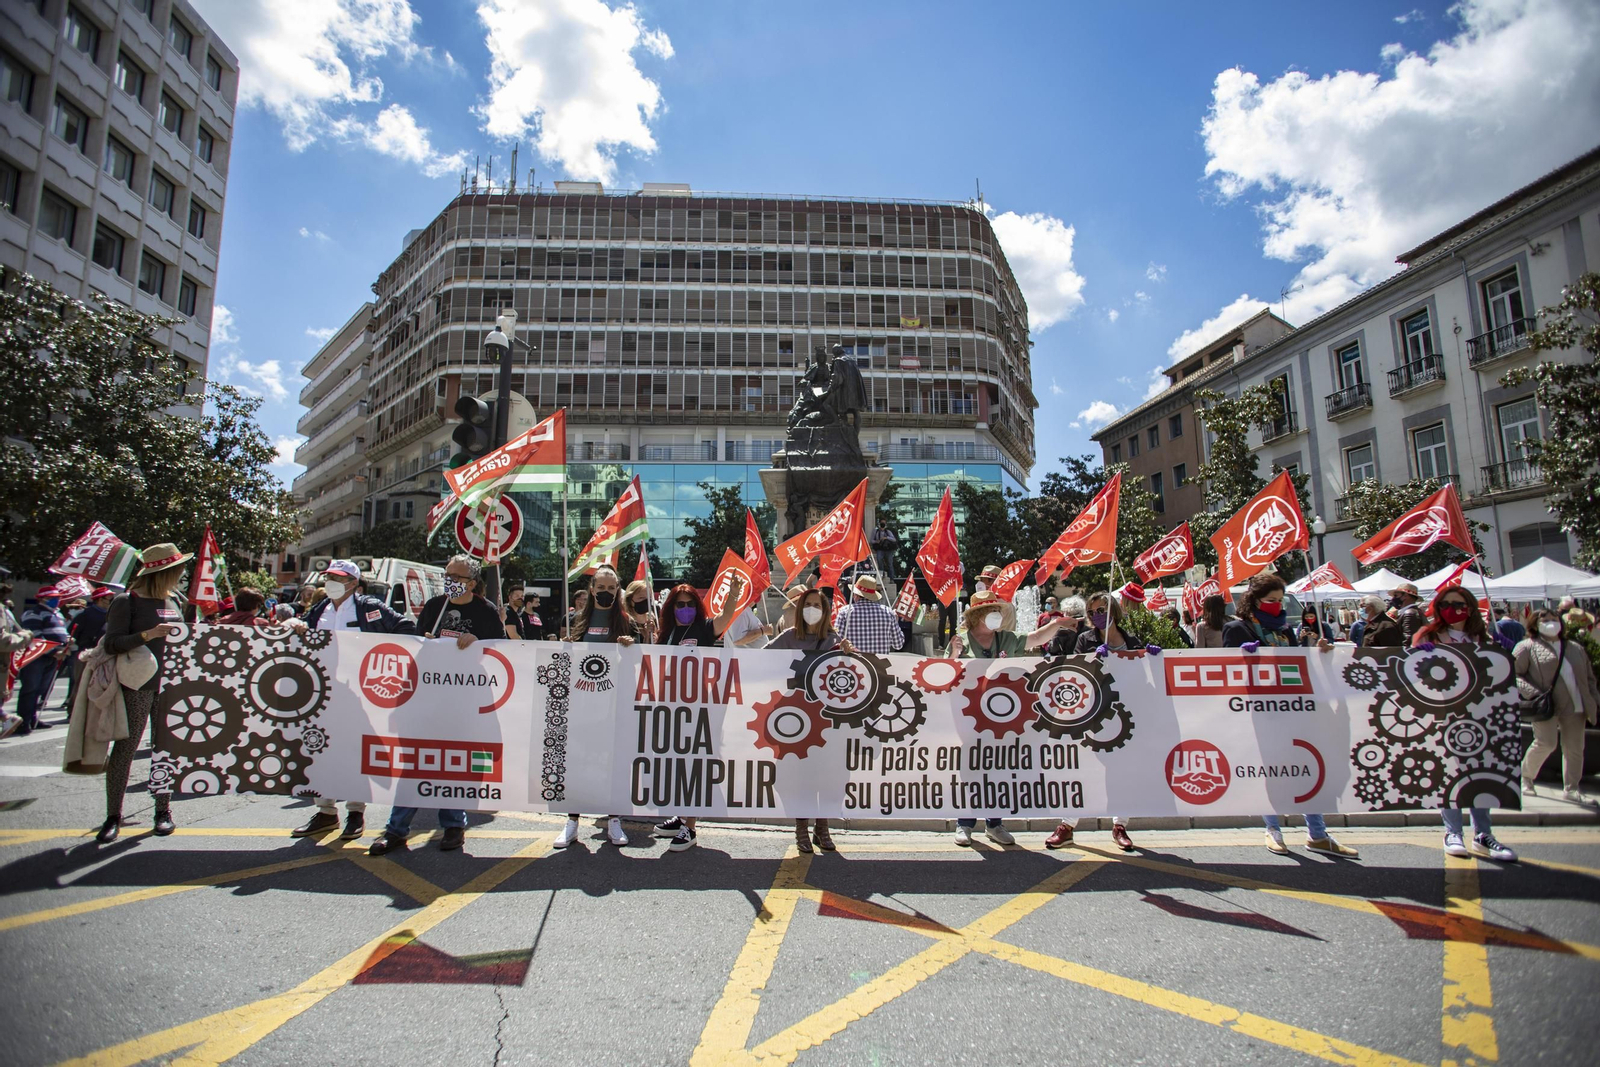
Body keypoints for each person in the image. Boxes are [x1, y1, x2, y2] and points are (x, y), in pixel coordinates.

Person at [368, 556, 500, 856]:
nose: (450, 579)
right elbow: (417, 645)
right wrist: (425, 642)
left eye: (457, 576)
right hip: (429, 699)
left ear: (472, 582)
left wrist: (477, 642)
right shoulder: (434, 607)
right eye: (448, 574)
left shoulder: (486, 612)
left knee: (455, 763)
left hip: (464, 702)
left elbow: (499, 652)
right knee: (416, 762)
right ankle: (396, 830)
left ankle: (453, 826)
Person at [1223, 572, 1358, 858]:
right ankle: (1273, 830)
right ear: (1255, 600)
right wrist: (1243, 656)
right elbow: (1228, 670)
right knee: (1270, 771)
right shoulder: (1238, 629)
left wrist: (1318, 652)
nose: (1276, 605)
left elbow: (1299, 667)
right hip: (1261, 712)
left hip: (1295, 710)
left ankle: (1317, 833)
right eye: (1271, 600)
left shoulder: (1284, 630)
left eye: (1279, 600)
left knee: (1306, 766)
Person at [285, 560, 416, 839]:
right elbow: (302, 633)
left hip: (360, 696)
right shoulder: (320, 609)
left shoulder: (370, 608)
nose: (331, 581)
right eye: (329, 577)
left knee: (357, 751)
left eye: (338, 578)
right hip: (323, 694)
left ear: (354, 584)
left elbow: (405, 628)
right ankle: (325, 812)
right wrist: (296, 624)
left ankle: (356, 813)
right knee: (321, 750)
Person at [1404, 587, 1516, 860]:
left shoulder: (1483, 637)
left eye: (1458, 603)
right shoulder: (1428, 635)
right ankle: (1453, 832)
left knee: (1481, 772)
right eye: (1445, 603)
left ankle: (1483, 834)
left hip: (1481, 715)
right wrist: (1419, 653)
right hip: (1444, 715)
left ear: (1470, 606)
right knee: (1451, 775)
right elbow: (1408, 673)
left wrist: (1504, 652)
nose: (1451, 608)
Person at [950, 591, 1069, 847]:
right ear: (977, 616)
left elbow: (1036, 638)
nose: (997, 615)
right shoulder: (962, 641)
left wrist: (1056, 624)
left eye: (997, 610)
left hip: (1002, 717)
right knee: (972, 770)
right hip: (971, 718)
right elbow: (947, 675)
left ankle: (994, 824)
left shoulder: (1007, 638)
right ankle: (965, 823)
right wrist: (953, 656)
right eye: (990, 611)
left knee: (999, 769)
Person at [1045, 592, 1160, 852]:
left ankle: (1120, 825)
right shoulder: (1085, 640)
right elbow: (1075, 673)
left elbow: (1143, 681)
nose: (1098, 616)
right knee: (1084, 771)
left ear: (1115, 612)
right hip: (1093, 715)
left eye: (1103, 610)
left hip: (1123, 717)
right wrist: (1093, 660)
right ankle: (1067, 825)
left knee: (1122, 773)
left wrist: (1153, 658)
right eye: (1093, 611)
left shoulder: (1132, 640)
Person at [98, 543, 190, 843]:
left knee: (165, 750)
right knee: (125, 750)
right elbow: (111, 644)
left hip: (171, 686)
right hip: (137, 685)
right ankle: (114, 815)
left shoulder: (175, 599)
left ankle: (163, 812)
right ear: (163, 572)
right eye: (177, 570)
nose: (181, 575)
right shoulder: (127, 601)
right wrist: (147, 635)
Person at [754, 586, 853, 854]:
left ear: (826, 611)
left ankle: (822, 827)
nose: (812, 609)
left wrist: (849, 655)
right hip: (794, 720)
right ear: (800, 609)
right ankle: (801, 827)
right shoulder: (788, 638)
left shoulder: (835, 640)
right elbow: (757, 660)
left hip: (828, 720)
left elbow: (850, 679)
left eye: (818, 605)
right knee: (799, 775)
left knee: (826, 774)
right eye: (808, 604)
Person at [647, 578, 744, 851]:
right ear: (671, 607)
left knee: (697, 764)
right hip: (672, 708)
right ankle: (680, 816)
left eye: (691, 604)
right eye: (680, 605)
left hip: (702, 707)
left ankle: (691, 827)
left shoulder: (703, 628)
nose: (686, 608)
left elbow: (725, 619)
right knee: (678, 763)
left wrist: (733, 596)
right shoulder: (665, 634)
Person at [556, 566, 636, 850]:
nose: (606, 593)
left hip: (613, 706)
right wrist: (566, 647)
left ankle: (614, 819)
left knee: (611, 763)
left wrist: (631, 645)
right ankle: (572, 821)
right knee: (577, 760)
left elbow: (640, 659)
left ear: (618, 590)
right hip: (582, 704)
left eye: (611, 588)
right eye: (600, 588)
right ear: (591, 590)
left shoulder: (626, 622)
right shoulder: (577, 620)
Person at [1518, 609, 1599, 806]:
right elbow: (1514, 674)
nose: (1551, 623)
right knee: (1545, 743)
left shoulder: (1575, 648)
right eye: (1545, 620)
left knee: (1574, 748)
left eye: (1554, 619)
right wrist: (1532, 692)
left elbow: (1589, 678)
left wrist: (1594, 700)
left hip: (1575, 705)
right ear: (1535, 624)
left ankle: (1572, 789)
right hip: (1545, 705)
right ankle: (1525, 778)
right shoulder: (1527, 646)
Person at [15, 586, 70, 734]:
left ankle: (33, 718)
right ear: (42, 598)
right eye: (53, 597)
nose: (57, 600)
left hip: (53, 656)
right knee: (30, 689)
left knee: (41, 689)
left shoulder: (56, 614)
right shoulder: (34, 613)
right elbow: (36, 636)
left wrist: (67, 642)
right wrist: (52, 651)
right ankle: (23, 721)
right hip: (37, 657)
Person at [63, 586, 114, 712]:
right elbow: (72, 633)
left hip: (103, 654)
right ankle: (73, 711)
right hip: (85, 654)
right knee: (81, 683)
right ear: (100, 600)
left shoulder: (111, 615)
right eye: (109, 599)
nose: (111, 601)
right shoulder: (85, 614)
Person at [835, 575, 905, 654]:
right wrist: (895, 621)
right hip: (880, 665)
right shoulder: (888, 612)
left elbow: (836, 642)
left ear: (856, 594)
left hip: (854, 664)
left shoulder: (844, 612)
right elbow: (898, 645)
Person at [1390, 581, 1426, 645]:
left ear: (1405, 596)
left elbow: (1409, 640)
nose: (1393, 598)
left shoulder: (1410, 613)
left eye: (1396, 595)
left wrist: (1401, 653)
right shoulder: (1412, 612)